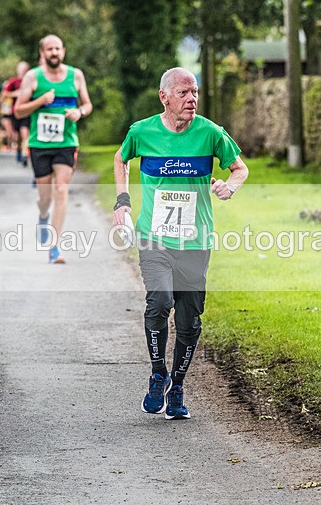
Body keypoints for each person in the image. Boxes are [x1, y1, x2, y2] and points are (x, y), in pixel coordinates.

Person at [113, 67, 248, 420]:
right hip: (153, 237)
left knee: (189, 321)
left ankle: (178, 385)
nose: (192, 99)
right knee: (159, 301)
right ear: (164, 97)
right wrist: (122, 201)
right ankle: (157, 374)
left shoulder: (211, 133)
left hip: (195, 241)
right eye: (184, 93)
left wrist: (228, 187)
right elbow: (120, 158)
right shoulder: (141, 132)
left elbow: (240, 168)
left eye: (195, 93)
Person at [15, 34, 93, 264]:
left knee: (61, 190)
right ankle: (42, 215)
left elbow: (87, 103)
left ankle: (55, 247)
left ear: (64, 51)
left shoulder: (76, 75)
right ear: (42, 53)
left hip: (67, 143)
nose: (54, 53)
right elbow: (18, 111)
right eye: (49, 49)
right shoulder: (33, 77)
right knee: (44, 197)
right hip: (40, 145)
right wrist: (40, 101)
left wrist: (80, 112)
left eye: (57, 49)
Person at [0, 61, 31, 166]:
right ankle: (18, 150)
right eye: (21, 69)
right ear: (17, 70)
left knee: (25, 133)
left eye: (25, 69)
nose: (23, 72)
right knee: (16, 136)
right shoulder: (13, 82)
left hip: (27, 111)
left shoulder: (31, 81)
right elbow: (3, 95)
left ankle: (25, 154)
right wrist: (15, 94)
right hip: (15, 112)